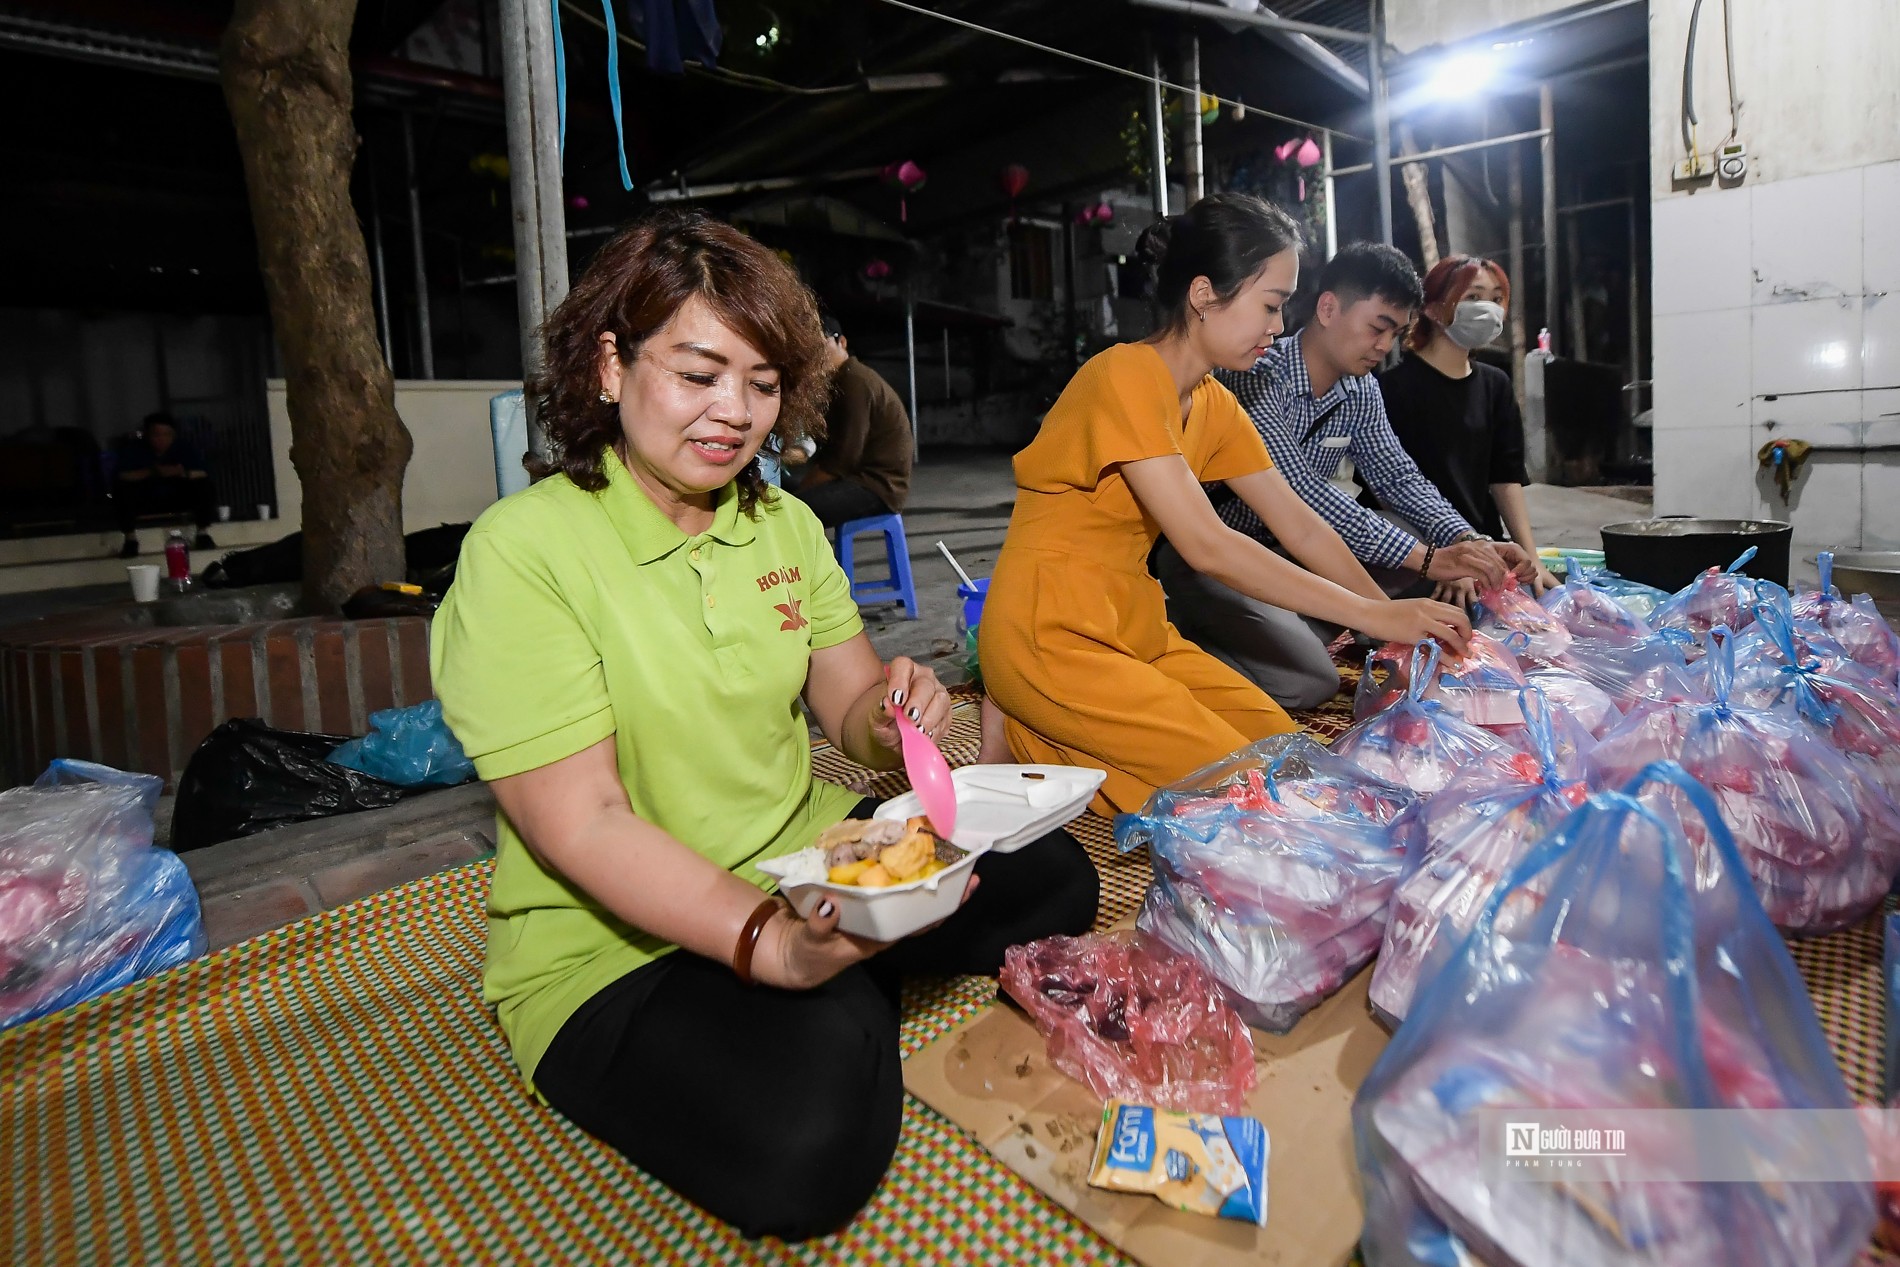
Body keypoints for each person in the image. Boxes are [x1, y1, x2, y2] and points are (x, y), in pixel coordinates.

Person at [430, 210, 1098, 1242]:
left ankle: (848, 964)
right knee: (803, 1148)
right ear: (610, 365)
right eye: (699, 374)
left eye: (762, 381)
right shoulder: (523, 553)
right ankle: (839, 980)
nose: (734, 412)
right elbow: (587, 823)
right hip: (615, 940)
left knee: (1057, 875)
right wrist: (766, 944)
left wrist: (897, 709)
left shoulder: (779, 523)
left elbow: (849, 709)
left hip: (806, 854)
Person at [978, 194, 1471, 817]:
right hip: (1050, 634)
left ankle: (1039, 735)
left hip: (1133, 630)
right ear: (1204, 293)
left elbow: (1304, 528)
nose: (1277, 324)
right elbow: (1207, 545)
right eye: (1270, 304)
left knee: (1292, 759)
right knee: (1245, 792)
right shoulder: (1122, 377)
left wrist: (1390, 621)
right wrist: (1377, 617)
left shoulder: (1213, 404)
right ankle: (1025, 711)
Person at [1153, 242, 1533, 708]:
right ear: (1328, 307)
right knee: (1308, 682)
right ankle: (1198, 634)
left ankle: (1290, 627)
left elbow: (1397, 476)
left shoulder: (1360, 386)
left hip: (1289, 546)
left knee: (1407, 533)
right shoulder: (1254, 375)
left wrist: (1466, 542)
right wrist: (1422, 569)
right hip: (1216, 555)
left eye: (1396, 333)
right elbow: (1303, 496)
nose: (1384, 346)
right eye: (1378, 327)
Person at [1364, 254, 1559, 598]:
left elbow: (1505, 477)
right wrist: (1441, 558)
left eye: (1496, 298)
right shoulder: (1390, 388)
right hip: (1414, 547)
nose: (1488, 308)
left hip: (1480, 543)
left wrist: (1531, 556)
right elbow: (1389, 490)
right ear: (1433, 308)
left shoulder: (1495, 385)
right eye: (1472, 297)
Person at [789, 312, 913, 528]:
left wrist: (801, 492)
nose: (814, 356)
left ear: (842, 342)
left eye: (820, 346)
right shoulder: (840, 380)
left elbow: (842, 459)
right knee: (777, 492)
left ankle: (811, 563)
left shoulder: (854, 381)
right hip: (856, 478)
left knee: (790, 513)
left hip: (877, 488)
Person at [114, 412, 217, 558]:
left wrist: (181, 472)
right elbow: (123, 474)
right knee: (122, 490)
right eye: (156, 435)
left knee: (204, 486)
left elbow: (203, 471)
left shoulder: (183, 447)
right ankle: (130, 539)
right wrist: (151, 472)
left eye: (167, 435)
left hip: (176, 498)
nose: (162, 439)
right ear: (147, 435)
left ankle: (202, 534)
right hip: (146, 499)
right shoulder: (135, 449)